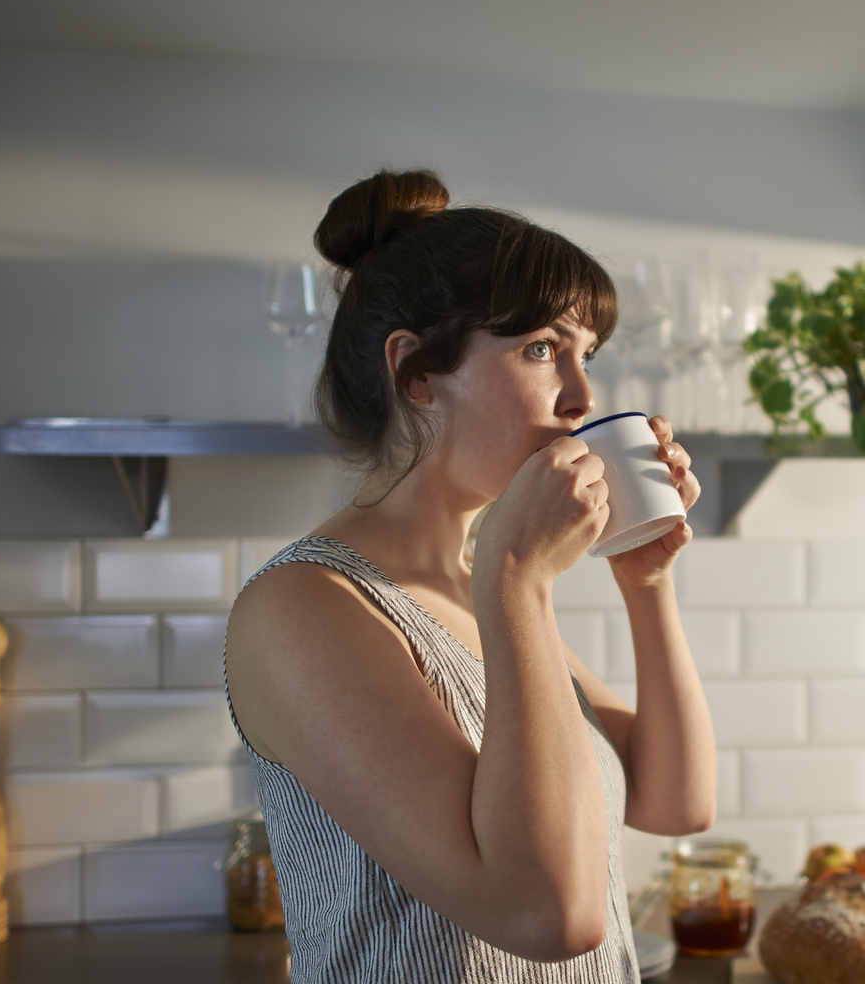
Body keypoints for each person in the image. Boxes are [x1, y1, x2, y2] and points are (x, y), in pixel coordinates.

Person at [225, 169, 717, 983]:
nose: (582, 397)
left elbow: (674, 800)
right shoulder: (304, 607)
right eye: (540, 350)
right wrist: (518, 582)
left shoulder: (474, 586)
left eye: (585, 355)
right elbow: (549, 914)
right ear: (417, 373)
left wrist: (646, 580)